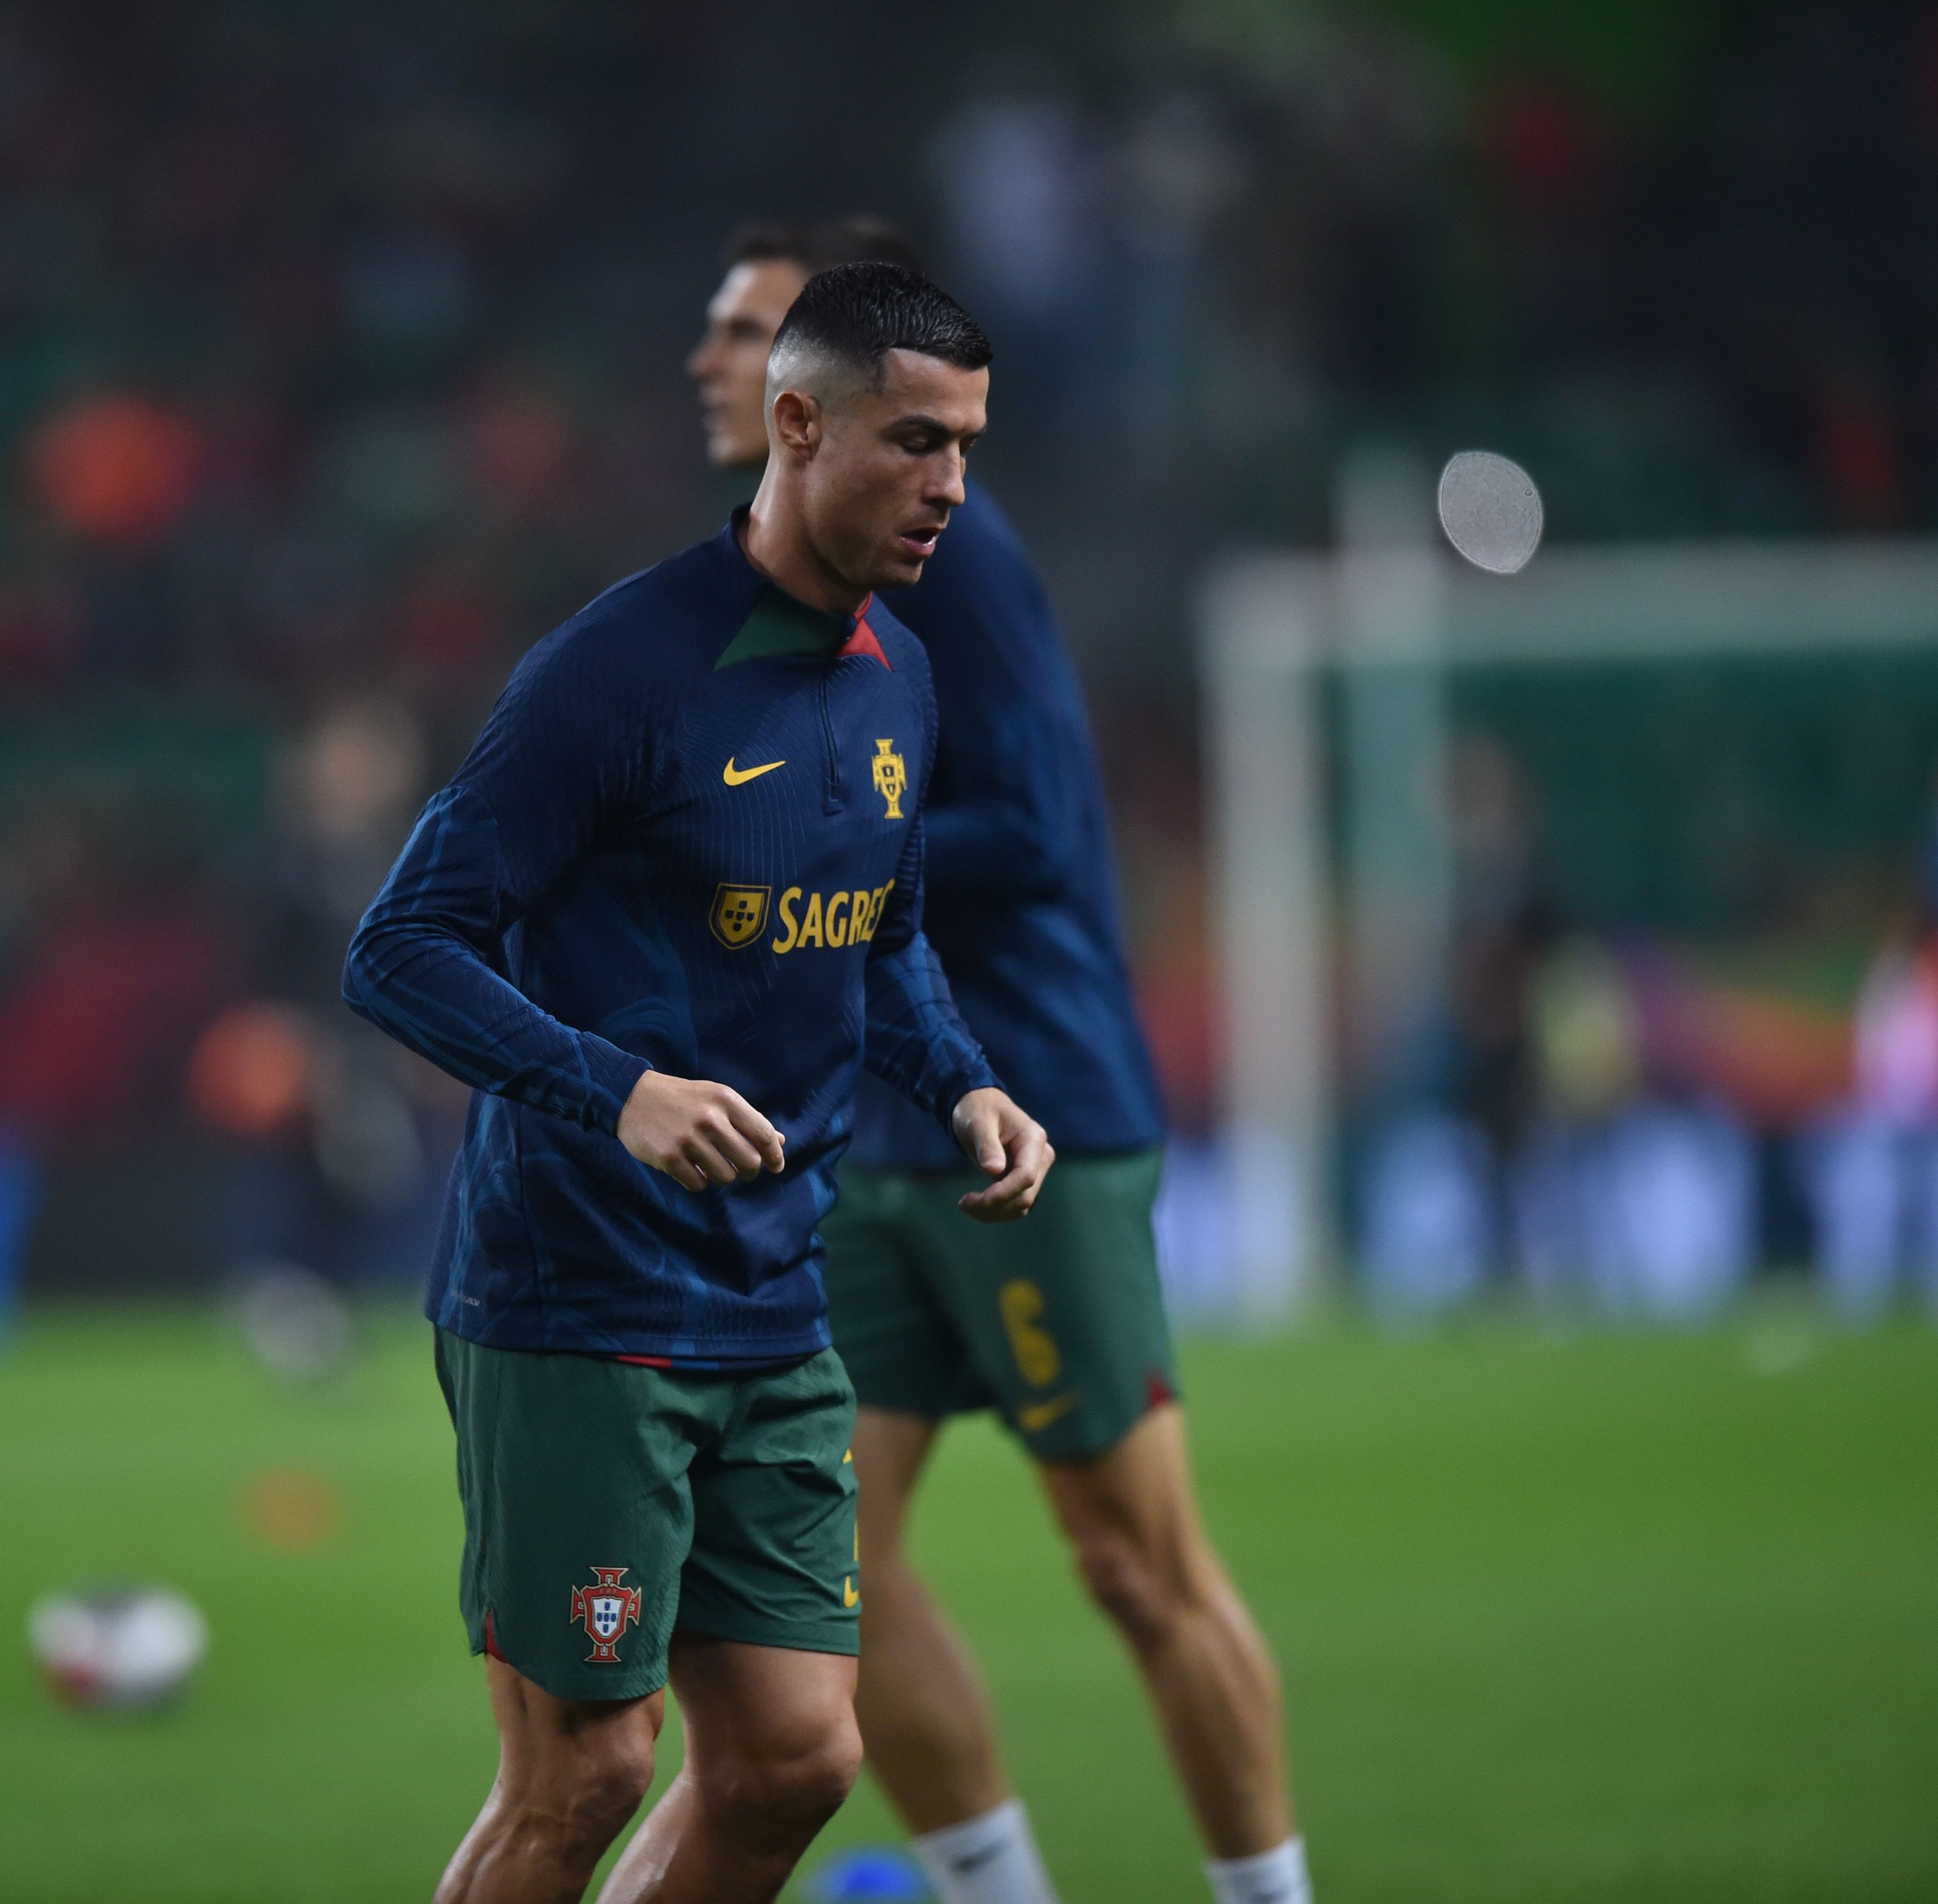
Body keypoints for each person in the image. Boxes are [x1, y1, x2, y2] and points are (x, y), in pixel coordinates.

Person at [347, 262, 1054, 1904]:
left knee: (797, 1758)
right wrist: (619, 1091)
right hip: (581, 1300)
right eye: (916, 441)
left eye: (968, 446)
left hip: (774, 1302)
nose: (952, 485)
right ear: (796, 426)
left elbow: (884, 938)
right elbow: (400, 946)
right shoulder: (618, 668)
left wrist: (964, 1085)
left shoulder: (901, 675)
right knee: (587, 1770)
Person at [691, 223, 1311, 1904]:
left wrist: (799, 855)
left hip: (1027, 1111)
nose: (708, 362)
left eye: (745, 331)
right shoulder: (770, 585)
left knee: (1134, 1564)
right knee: (821, 1569)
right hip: (868, 1140)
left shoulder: (947, 552)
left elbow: (1030, 824)